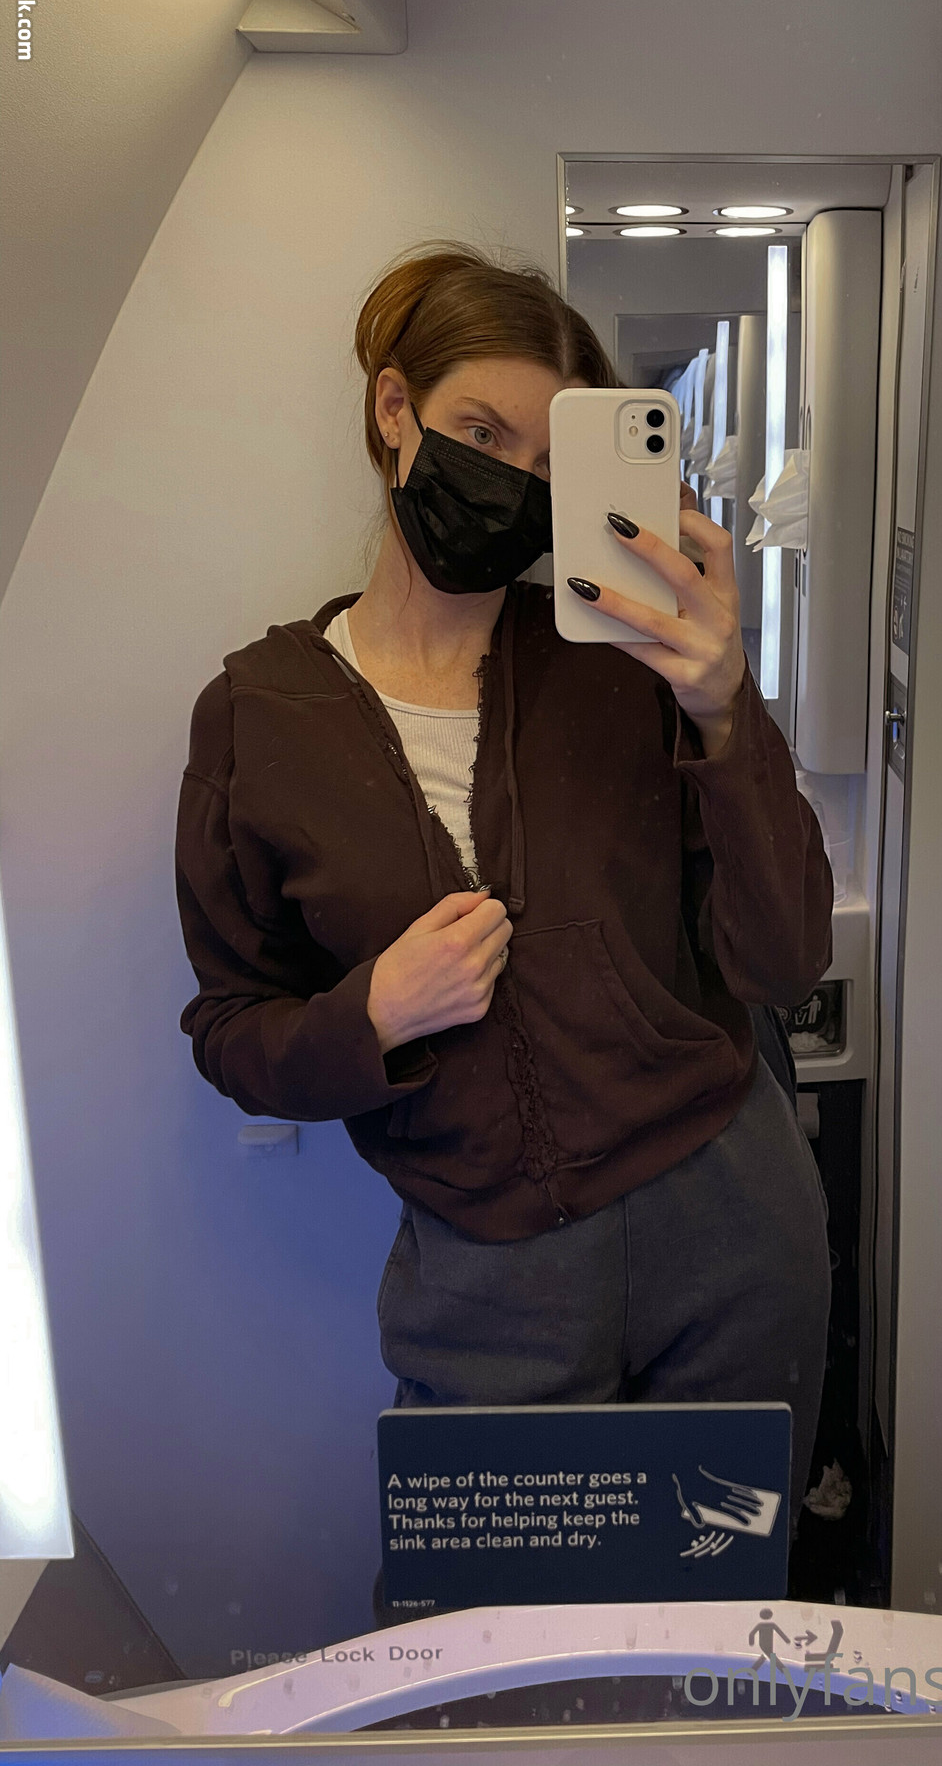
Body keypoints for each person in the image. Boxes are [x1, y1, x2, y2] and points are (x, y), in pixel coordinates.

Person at [174, 243, 834, 1514]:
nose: (510, 483)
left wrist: (722, 706)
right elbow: (231, 1027)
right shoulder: (257, 719)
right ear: (394, 410)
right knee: (481, 1629)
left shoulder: (626, 666)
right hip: (487, 1280)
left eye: (547, 465)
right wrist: (369, 1015)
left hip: (729, 1228)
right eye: (482, 432)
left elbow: (786, 956)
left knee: (726, 1604)